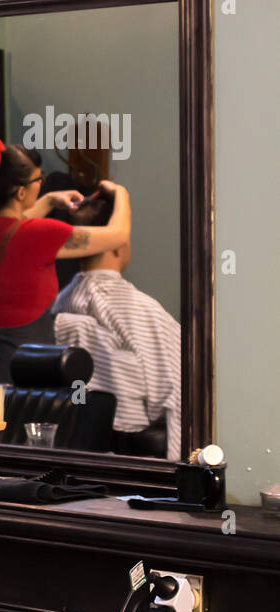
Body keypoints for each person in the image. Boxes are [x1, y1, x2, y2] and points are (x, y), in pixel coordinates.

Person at [0, 136, 130, 384]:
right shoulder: (40, 235)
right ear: (21, 192)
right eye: (40, 180)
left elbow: (10, 228)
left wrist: (49, 200)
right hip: (26, 378)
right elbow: (118, 235)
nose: (42, 183)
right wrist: (120, 194)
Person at [51, 186, 181, 459]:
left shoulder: (59, 304)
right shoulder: (141, 310)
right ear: (118, 244)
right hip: (133, 450)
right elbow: (175, 394)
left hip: (71, 443)